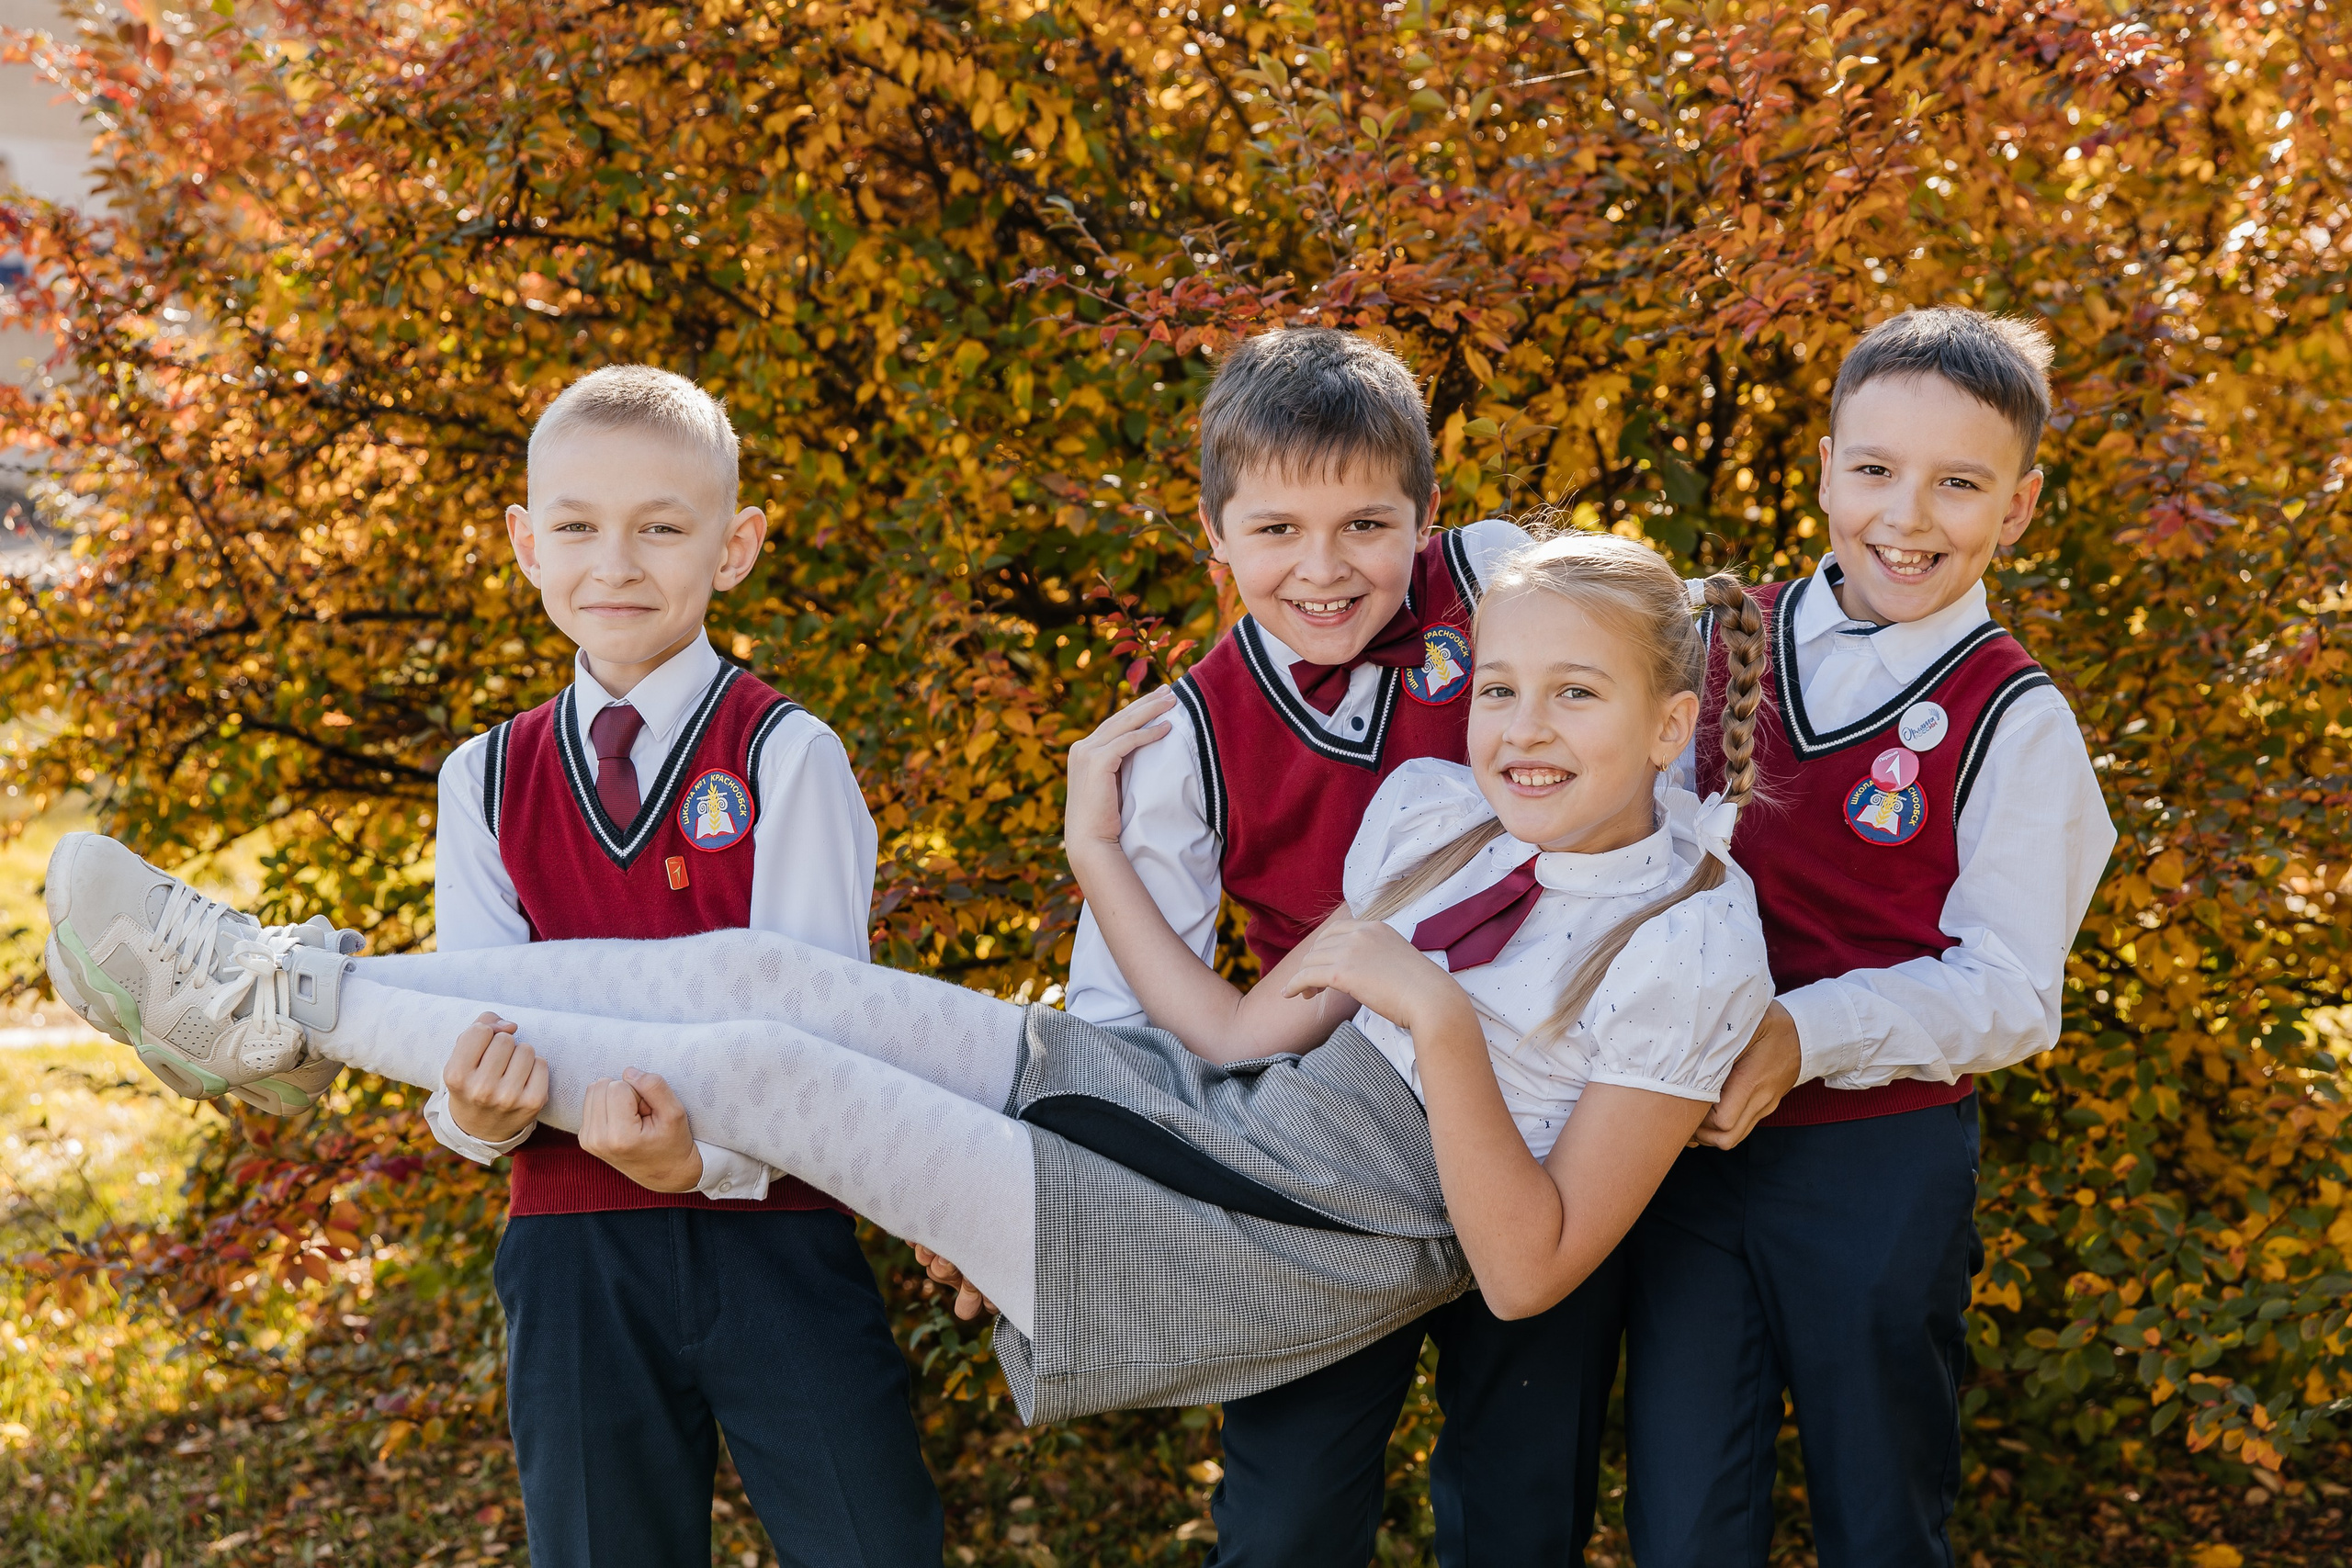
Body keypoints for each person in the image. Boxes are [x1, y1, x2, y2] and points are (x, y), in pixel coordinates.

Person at [39, 533, 1774, 1460]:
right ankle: (277, 986)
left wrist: (1446, 1022)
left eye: (1577, 701)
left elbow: (1531, 1269)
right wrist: (1098, 858)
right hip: (1207, 1115)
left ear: (1668, 722)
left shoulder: (1695, 942)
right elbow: (1247, 1034)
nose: (1523, 732)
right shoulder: (1436, 818)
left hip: (1285, 1235)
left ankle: (284, 1011)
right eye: (1504, 690)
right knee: (760, 976)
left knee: (752, 1071)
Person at [51, 365, 944, 1568]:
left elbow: (822, 1039)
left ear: (734, 548)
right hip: (574, 1250)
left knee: (871, 1545)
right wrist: (472, 1113)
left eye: (660, 529)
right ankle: (267, 995)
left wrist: (704, 1155)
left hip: (774, 1239)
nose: (615, 564)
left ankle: (275, 997)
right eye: (577, 527)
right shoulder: (485, 775)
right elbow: (483, 1041)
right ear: (525, 544)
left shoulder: (788, 754)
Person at [1066, 325, 1634, 1568]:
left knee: (1523, 1503)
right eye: (1274, 531)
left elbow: (1671, 732)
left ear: (1427, 516)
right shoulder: (1186, 736)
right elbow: (1130, 1009)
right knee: (1286, 1519)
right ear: (1213, 534)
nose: (1322, 570)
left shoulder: (1504, 582)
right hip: (1319, 1140)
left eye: (1366, 527)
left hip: (1543, 1120)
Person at [1623, 307, 2117, 1567]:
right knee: (1682, 1519)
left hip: (1875, 1167)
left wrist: (1806, 1032)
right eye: (1877, 470)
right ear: (1827, 465)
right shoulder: (1719, 641)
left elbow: (2013, 991)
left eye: (1959, 484)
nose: (1908, 516)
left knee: (1879, 1509)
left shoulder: (2014, 718)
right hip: (1679, 1148)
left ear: (2018, 505)